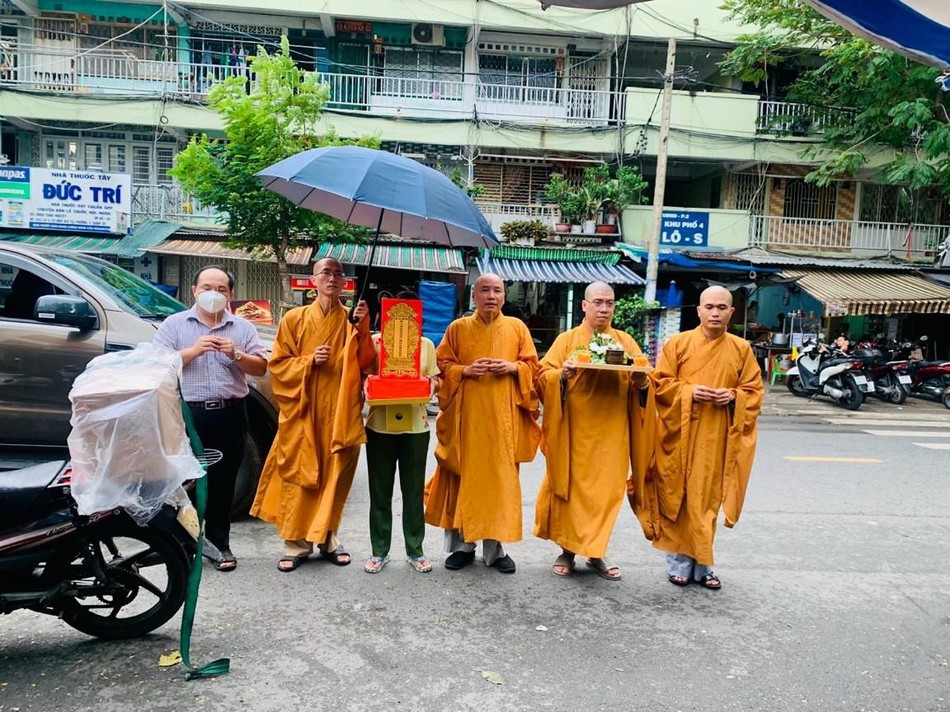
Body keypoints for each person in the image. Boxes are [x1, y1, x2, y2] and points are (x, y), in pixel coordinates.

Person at [250, 258, 375, 572]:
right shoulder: (295, 318)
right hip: (304, 412)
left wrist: (361, 329)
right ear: (312, 281)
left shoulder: (353, 318)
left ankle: (329, 538)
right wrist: (308, 361)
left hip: (340, 412)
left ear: (345, 282)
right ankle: (296, 543)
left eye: (337, 274)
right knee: (300, 478)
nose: (332, 278)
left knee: (335, 476)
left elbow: (368, 364)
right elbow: (278, 365)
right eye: (325, 273)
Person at [644, 285, 763, 590]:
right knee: (679, 497)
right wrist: (689, 391)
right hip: (680, 434)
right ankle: (679, 563)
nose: (714, 313)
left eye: (721, 307)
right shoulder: (679, 344)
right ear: (698, 311)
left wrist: (733, 397)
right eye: (709, 307)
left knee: (706, 500)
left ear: (731, 312)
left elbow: (753, 392)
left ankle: (704, 564)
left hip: (718, 436)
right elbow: (661, 385)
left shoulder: (741, 349)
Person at [534, 282, 653, 581]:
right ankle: (567, 551)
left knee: (606, 495)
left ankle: (597, 551)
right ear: (584, 306)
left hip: (613, 434)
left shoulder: (625, 341)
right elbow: (541, 376)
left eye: (609, 303)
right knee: (572, 493)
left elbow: (646, 381)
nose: (604, 308)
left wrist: (641, 383)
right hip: (575, 431)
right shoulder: (567, 340)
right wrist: (561, 375)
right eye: (598, 302)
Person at [153, 265, 268, 572]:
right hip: (188, 414)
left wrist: (237, 355)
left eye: (220, 289)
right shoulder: (175, 325)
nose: (213, 294)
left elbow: (261, 367)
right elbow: (157, 364)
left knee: (224, 481)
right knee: (184, 481)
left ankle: (220, 544)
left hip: (230, 412)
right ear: (194, 290)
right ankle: (185, 545)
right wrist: (192, 352)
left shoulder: (242, 328)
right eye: (207, 287)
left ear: (230, 295)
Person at [424, 273, 541, 574]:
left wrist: (513, 367)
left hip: (504, 422)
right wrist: (465, 370)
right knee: (465, 479)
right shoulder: (458, 328)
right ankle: (464, 545)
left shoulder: (516, 328)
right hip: (467, 421)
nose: (491, 296)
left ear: (504, 297)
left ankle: (496, 547)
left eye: (497, 291)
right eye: (485, 290)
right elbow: (442, 367)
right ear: (474, 296)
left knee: (500, 484)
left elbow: (533, 367)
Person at [363, 331, 440, 575]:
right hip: (379, 426)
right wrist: (370, 383)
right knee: (379, 491)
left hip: (416, 427)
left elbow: (437, 379)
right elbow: (362, 375)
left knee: (414, 490)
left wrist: (429, 384)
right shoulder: (374, 342)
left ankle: (415, 550)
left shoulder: (425, 344)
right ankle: (379, 550)